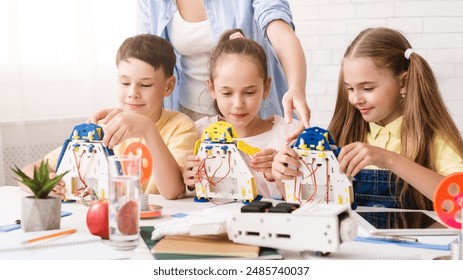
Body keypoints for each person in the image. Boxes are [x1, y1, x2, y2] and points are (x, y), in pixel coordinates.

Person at [272, 27, 463, 211]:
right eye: (350, 89)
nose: (356, 99)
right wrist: (284, 174)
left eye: (368, 88)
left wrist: (390, 160)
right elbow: (310, 203)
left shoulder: (432, 138)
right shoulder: (341, 135)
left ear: (403, 82)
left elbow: (458, 202)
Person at [91, 0, 310, 140]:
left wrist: (296, 86)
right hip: (186, 114)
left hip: (249, 110)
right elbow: (144, 61)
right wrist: (130, 108)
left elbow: (280, 34)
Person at [21, 34, 198, 200]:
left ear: (168, 87)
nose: (132, 93)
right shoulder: (104, 125)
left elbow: (172, 191)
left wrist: (147, 129)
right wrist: (44, 184)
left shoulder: (180, 126)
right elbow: (27, 172)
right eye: (125, 83)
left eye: (145, 84)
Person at [183, 29, 300, 199]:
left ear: (266, 88)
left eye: (249, 92)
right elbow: (185, 196)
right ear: (212, 89)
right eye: (227, 93)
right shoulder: (198, 132)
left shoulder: (288, 136)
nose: (238, 104)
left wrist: (275, 176)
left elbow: (305, 202)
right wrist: (189, 182)